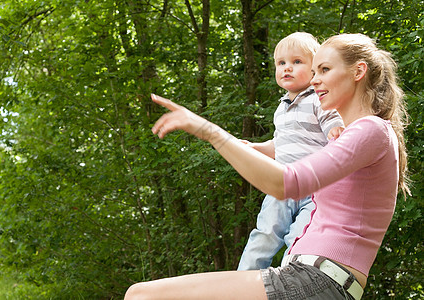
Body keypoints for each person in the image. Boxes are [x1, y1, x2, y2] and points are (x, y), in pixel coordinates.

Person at [124, 33, 409, 300]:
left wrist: (209, 131)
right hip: (310, 279)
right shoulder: (349, 137)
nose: (314, 80)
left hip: (317, 280)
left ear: (358, 72)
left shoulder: (370, 130)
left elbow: (286, 183)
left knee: (141, 295)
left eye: (324, 70)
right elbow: (285, 157)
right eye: (314, 72)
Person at [238, 32, 344, 271]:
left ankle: (289, 279)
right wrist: (254, 148)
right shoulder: (281, 108)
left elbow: (331, 122)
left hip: (314, 187)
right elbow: (279, 144)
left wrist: (336, 130)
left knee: (299, 237)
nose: (287, 68)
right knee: (264, 234)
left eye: (297, 62)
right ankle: (242, 280)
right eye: (281, 63)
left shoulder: (318, 99)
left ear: (315, 69)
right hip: (281, 185)